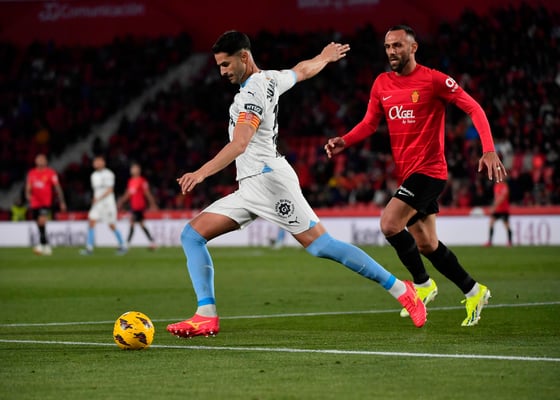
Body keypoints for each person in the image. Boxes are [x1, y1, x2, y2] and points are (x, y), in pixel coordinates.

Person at [167, 30, 427, 338]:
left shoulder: (252, 94)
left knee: (322, 246)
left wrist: (201, 173)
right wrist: (324, 57)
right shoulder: (270, 79)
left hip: (269, 182)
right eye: (219, 66)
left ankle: (403, 290)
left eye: (226, 64)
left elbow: (240, 143)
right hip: (251, 186)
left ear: (244, 57)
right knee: (192, 235)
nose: (222, 72)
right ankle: (206, 316)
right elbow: (301, 71)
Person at [325, 25, 507, 327]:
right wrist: (345, 140)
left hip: (430, 171)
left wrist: (488, 149)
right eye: (387, 46)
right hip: (408, 174)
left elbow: (474, 108)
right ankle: (474, 291)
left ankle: (421, 285)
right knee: (427, 244)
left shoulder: (434, 80)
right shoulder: (381, 83)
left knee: (389, 223)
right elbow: (370, 123)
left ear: (413, 47)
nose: (391, 51)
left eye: (398, 45)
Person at [80, 155, 127, 255]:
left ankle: (123, 245)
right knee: (91, 221)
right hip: (97, 204)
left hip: (107, 204)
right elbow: (96, 190)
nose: (96, 163)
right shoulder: (93, 175)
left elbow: (110, 190)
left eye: (98, 161)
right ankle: (89, 248)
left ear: (103, 162)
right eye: (95, 162)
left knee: (111, 225)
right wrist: (94, 199)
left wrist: (98, 198)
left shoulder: (109, 174)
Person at [25, 153, 67, 255]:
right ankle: (45, 244)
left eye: (42, 159)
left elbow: (57, 187)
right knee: (39, 223)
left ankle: (42, 244)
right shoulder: (32, 173)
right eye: (39, 159)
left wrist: (62, 201)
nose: (40, 161)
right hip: (35, 202)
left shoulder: (50, 173)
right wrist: (28, 196)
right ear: (35, 161)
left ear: (46, 162)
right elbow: (28, 186)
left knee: (42, 221)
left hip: (46, 202)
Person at [117, 162, 158, 250]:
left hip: (139, 206)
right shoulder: (131, 181)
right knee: (141, 224)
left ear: (139, 170)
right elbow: (128, 194)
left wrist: (152, 204)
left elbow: (147, 193)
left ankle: (126, 244)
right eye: (132, 169)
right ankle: (152, 242)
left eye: (135, 168)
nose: (133, 170)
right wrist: (121, 201)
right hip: (133, 206)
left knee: (132, 222)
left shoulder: (142, 181)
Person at [485, 180, 512, 247]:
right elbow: (496, 198)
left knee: (506, 225)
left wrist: (494, 206)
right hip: (497, 210)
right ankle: (490, 242)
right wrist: (494, 206)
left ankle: (509, 242)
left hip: (504, 209)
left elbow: (502, 198)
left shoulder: (505, 186)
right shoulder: (496, 186)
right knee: (491, 223)